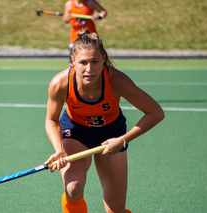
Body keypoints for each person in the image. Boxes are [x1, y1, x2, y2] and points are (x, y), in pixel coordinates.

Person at [44, 30, 165, 213]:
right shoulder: (60, 83)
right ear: (73, 60)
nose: (89, 69)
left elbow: (155, 112)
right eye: (83, 62)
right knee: (73, 188)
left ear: (104, 59)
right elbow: (51, 119)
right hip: (76, 132)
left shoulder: (117, 80)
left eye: (95, 62)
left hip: (112, 134)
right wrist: (59, 148)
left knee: (115, 209)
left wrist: (123, 139)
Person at [63, 0, 107, 66]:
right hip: (75, 36)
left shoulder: (90, 2)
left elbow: (103, 12)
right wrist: (66, 18)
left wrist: (99, 16)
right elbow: (65, 19)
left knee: (95, 60)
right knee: (72, 64)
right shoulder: (69, 4)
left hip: (91, 36)